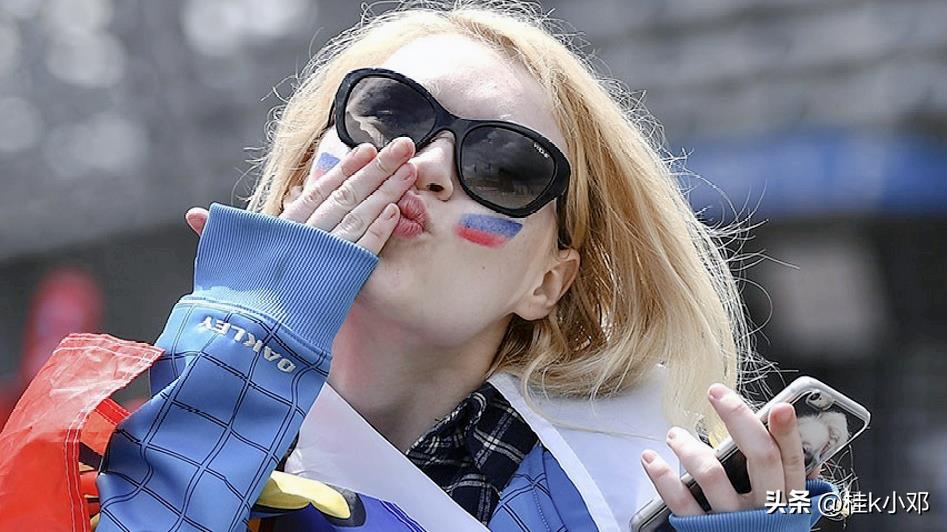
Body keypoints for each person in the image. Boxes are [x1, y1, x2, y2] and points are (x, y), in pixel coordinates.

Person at [5, 1, 839, 531]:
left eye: (504, 166)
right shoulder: (96, 463)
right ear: (298, 184)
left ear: (547, 282)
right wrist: (243, 350)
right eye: (386, 115)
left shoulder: (645, 495)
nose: (429, 163)